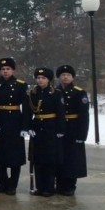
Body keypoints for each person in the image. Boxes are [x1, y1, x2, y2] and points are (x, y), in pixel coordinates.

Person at [0, 57, 31, 196]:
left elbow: (26, 108)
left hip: (14, 122)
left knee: (14, 155)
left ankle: (12, 185)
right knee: (0, 155)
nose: (5, 71)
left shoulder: (20, 85)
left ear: (13, 70)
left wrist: (25, 126)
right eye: (3, 69)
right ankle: (2, 183)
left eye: (8, 69)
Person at [27, 67, 65, 197]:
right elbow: (28, 112)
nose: (40, 80)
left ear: (48, 80)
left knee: (50, 159)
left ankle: (49, 187)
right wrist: (29, 126)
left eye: (43, 78)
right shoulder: (32, 93)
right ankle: (39, 186)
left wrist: (60, 129)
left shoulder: (56, 93)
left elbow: (60, 112)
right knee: (38, 159)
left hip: (51, 127)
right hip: (37, 127)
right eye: (38, 78)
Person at [55, 65, 90, 196]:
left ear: (72, 77)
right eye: (63, 75)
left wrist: (82, 134)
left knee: (72, 158)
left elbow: (84, 116)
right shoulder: (55, 91)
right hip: (59, 127)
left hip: (73, 128)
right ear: (59, 77)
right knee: (59, 156)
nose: (65, 77)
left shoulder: (79, 92)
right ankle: (59, 183)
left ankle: (70, 185)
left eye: (68, 75)